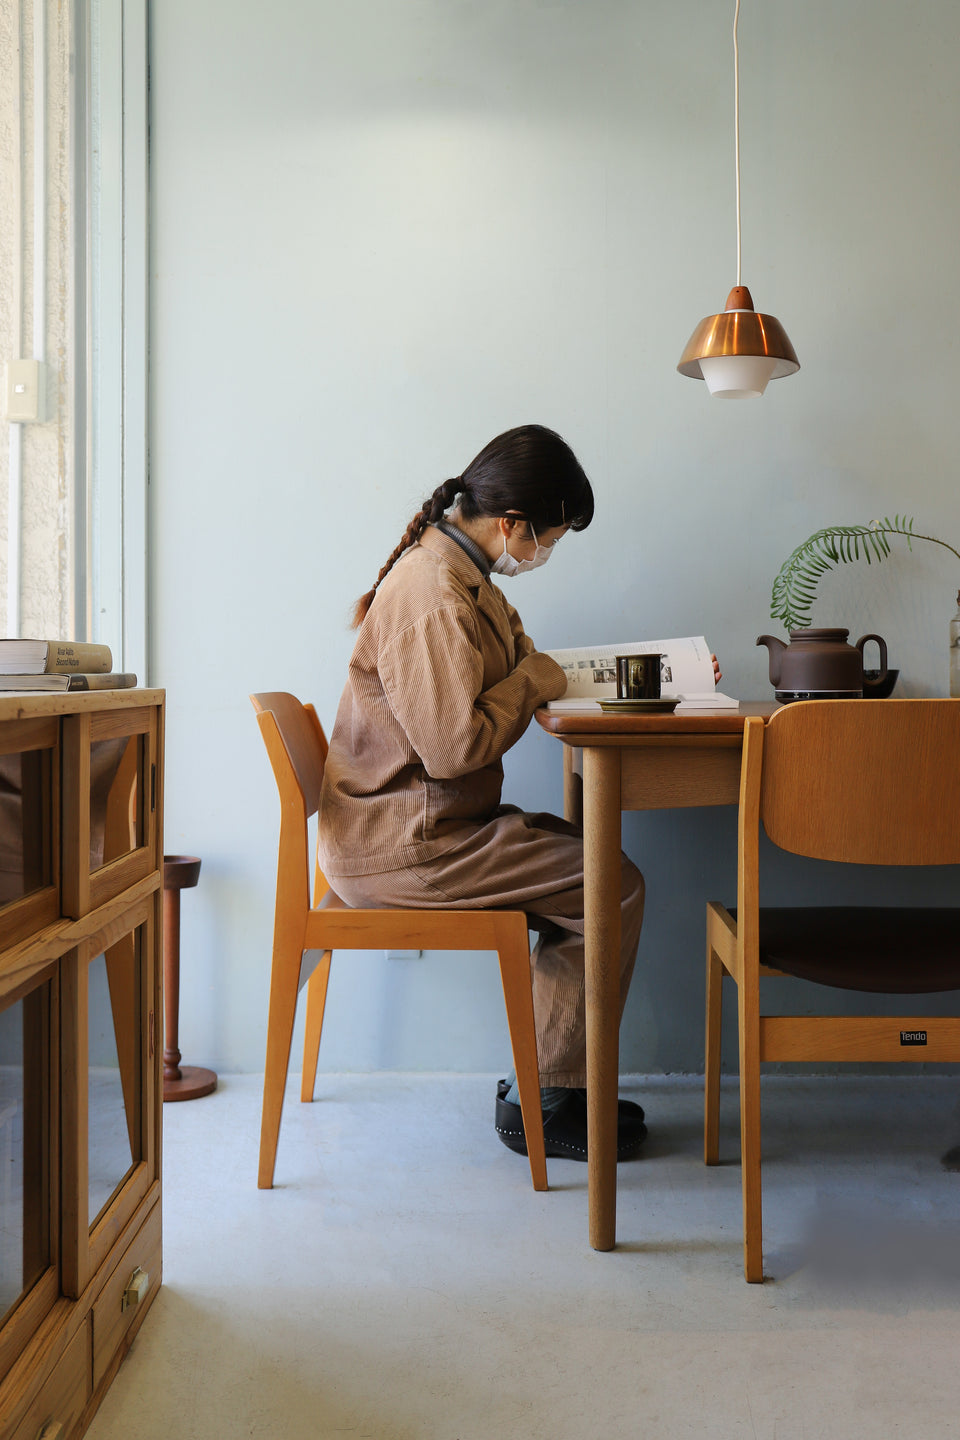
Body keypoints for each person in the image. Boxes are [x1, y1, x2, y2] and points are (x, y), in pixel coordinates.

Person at [317, 423, 650, 1161]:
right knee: (613, 886)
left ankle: (549, 1084)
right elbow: (453, 747)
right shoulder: (431, 593)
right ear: (513, 525)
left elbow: (526, 662)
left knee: (598, 867)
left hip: (427, 826)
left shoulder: (466, 577)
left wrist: (543, 671)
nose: (547, 555)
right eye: (550, 540)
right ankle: (549, 1096)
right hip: (408, 845)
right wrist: (535, 679)